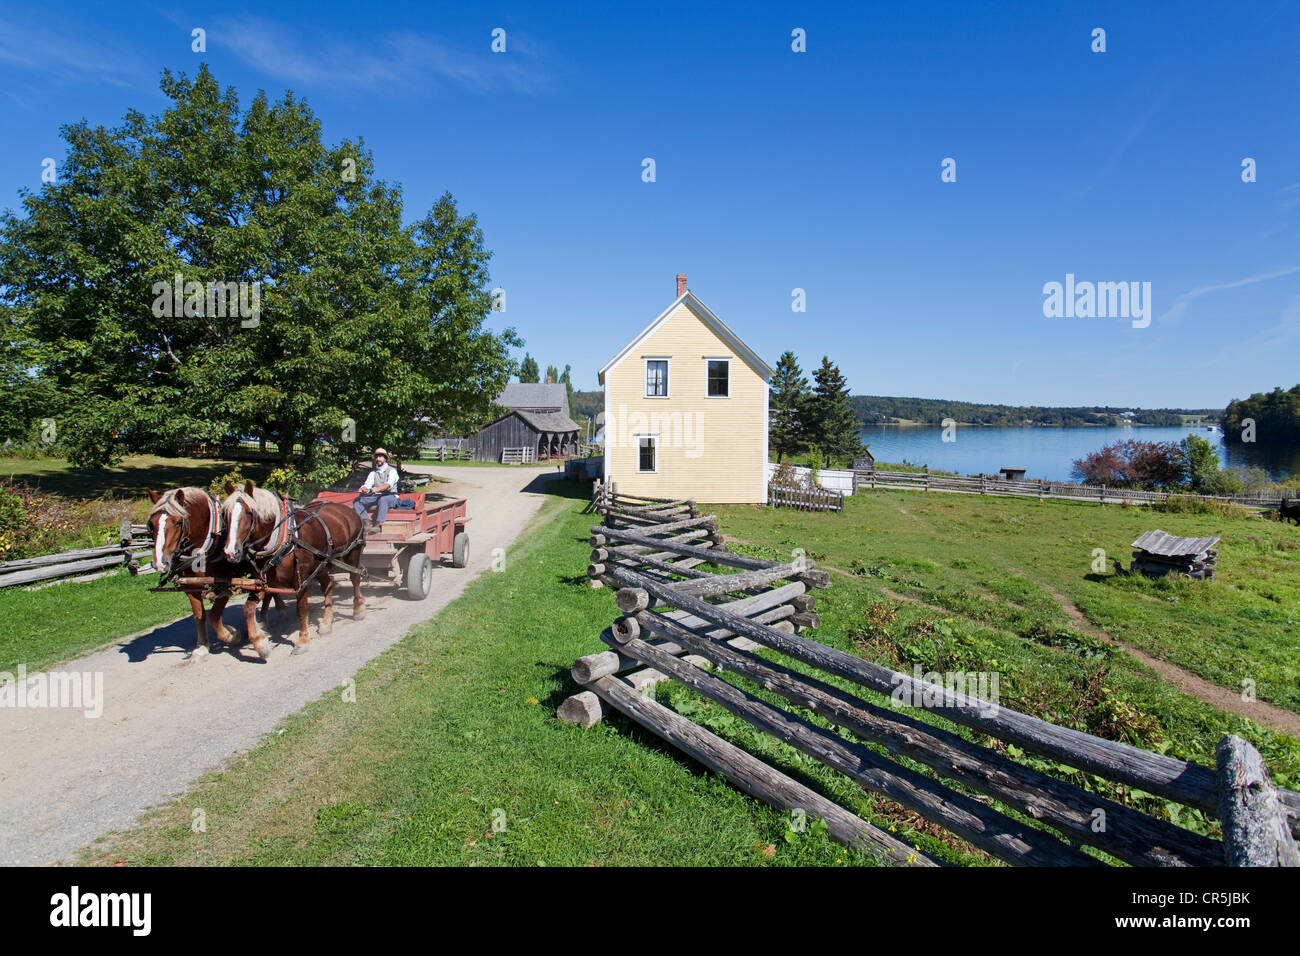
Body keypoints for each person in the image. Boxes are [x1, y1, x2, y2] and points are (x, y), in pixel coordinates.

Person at [354, 448, 401, 529]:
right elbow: (368, 485)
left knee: (383, 500)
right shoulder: (373, 473)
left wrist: (378, 489)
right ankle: (366, 522)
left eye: (380, 457)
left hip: (391, 496)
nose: (378, 459)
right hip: (376, 497)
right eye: (376, 457)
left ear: (385, 458)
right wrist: (364, 488)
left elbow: (388, 485)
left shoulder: (392, 471)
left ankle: (379, 524)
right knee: (357, 501)